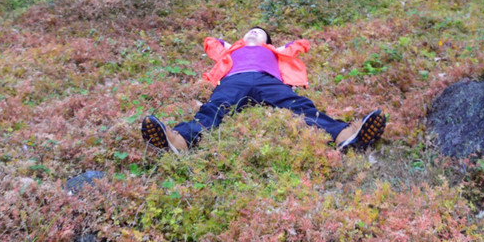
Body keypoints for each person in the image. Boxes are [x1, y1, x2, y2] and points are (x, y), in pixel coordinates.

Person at [141, 26, 385, 154]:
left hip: (271, 82)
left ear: (268, 42)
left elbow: (296, 47)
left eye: (260, 32)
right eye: (251, 31)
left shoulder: (273, 50)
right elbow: (211, 43)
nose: (254, 32)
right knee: (214, 109)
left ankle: (343, 136)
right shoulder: (233, 48)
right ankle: (181, 140)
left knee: (300, 106)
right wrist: (231, 44)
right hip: (235, 81)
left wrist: (282, 46)